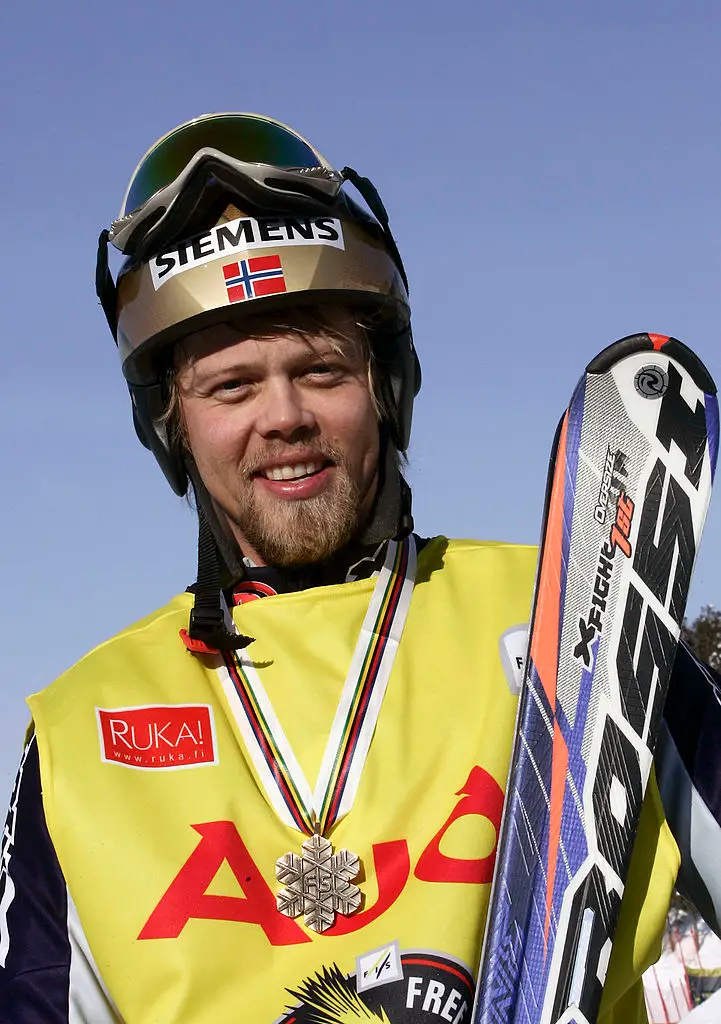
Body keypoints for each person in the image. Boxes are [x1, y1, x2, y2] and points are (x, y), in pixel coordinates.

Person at [0, 113, 719, 1024]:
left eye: (321, 371)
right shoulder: (82, 731)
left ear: (387, 385)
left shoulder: (578, 610)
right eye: (231, 386)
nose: (283, 417)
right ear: (170, 427)